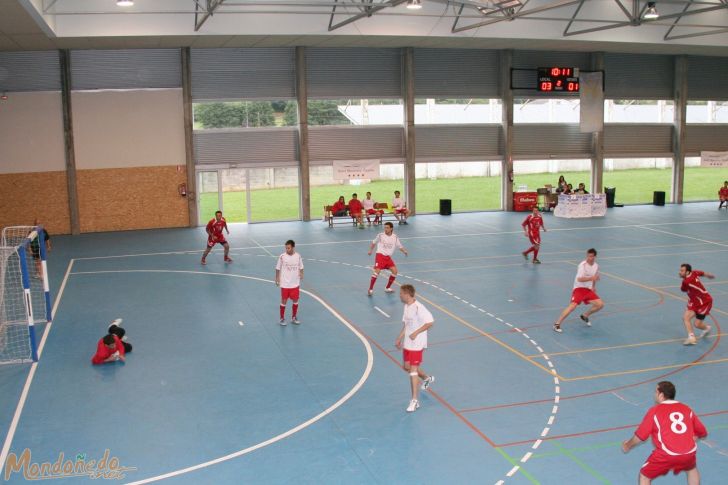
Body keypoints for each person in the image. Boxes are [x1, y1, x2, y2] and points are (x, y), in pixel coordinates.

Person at [622, 381, 707, 484]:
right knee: (692, 469)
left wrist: (628, 445)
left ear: (661, 395)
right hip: (688, 453)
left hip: (666, 454)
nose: (654, 394)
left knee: (644, 475)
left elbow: (640, 436)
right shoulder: (686, 409)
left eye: (655, 392)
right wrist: (693, 438)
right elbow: (702, 431)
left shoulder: (655, 411)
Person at [395, 284, 435, 413]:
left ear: (407, 294)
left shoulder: (419, 308)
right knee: (406, 367)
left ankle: (414, 400)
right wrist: (399, 337)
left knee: (412, 371)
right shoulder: (406, 307)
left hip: (417, 344)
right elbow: (407, 325)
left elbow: (430, 322)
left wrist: (416, 332)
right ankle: (427, 378)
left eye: (401, 293)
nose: (400, 295)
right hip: (408, 343)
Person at [554, 248, 604, 333]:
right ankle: (557, 324)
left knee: (600, 304)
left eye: (591, 256)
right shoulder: (582, 265)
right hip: (579, 289)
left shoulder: (596, 266)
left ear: (595, 257)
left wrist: (593, 286)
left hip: (588, 290)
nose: (589, 258)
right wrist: (592, 278)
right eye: (588, 256)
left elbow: (594, 277)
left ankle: (585, 315)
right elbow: (580, 279)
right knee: (572, 306)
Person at [368, 222, 408, 296]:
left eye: (387, 228)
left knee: (395, 271)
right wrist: (370, 250)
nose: (385, 229)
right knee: (377, 271)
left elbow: (399, 246)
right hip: (380, 255)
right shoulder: (380, 235)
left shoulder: (395, 237)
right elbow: (373, 242)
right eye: (385, 227)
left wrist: (404, 251)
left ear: (391, 228)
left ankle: (387, 288)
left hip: (388, 257)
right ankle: (370, 289)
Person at [679, 264, 715, 345]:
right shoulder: (694, 272)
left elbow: (683, 289)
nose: (680, 272)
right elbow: (701, 273)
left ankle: (702, 331)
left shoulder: (686, 281)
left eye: (682, 271)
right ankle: (694, 336)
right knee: (686, 318)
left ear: (687, 272)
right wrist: (708, 275)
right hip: (694, 302)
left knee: (697, 324)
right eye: (680, 270)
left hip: (704, 302)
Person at [275, 239, 304, 326]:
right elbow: (277, 268)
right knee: (284, 301)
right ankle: (281, 318)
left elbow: (301, 267)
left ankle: (294, 317)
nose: (287, 250)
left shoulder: (298, 256)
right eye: (286, 248)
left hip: (295, 283)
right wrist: (277, 278)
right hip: (285, 284)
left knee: (295, 300)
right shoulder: (282, 256)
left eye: (288, 248)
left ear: (293, 247)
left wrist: (302, 274)